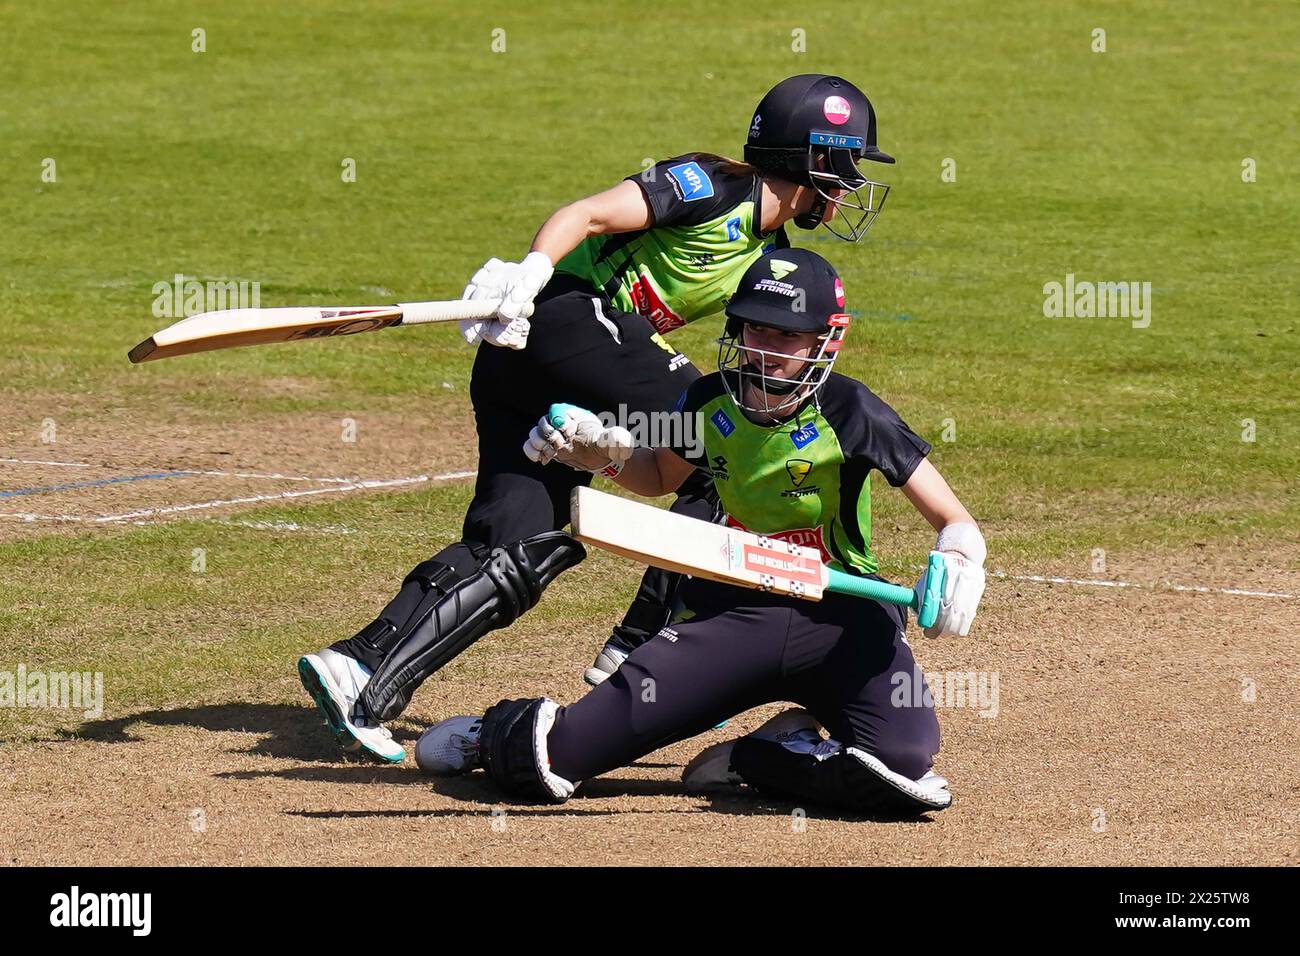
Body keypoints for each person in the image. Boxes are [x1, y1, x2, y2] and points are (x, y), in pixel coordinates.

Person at [298, 75, 898, 763]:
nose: (850, 186)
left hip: (543, 372)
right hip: (558, 321)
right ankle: (642, 645)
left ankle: (361, 670)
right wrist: (528, 274)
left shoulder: (770, 255)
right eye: (845, 166)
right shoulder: (709, 185)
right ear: (807, 159)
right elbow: (585, 215)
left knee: (516, 546)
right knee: (718, 441)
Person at [414, 248, 986, 816]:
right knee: (550, 765)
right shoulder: (709, 399)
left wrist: (958, 558)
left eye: (785, 336)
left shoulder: (852, 411)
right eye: (753, 329)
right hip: (733, 613)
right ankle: (493, 733)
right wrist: (602, 453)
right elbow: (659, 475)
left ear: (825, 341)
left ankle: (758, 756)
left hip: (842, 615)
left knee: (903, 765)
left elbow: (953, 519)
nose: (763, 350)